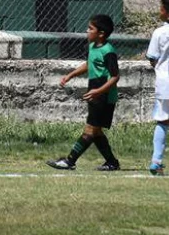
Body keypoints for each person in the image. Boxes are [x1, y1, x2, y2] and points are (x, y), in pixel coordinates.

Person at [46, 14, 120, 171]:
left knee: (90, 129)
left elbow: (115, 77)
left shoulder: (108, 51)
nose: (87, 31)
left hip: (104, 95)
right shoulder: (93, 47)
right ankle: (112, 162)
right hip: (95, 92)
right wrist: (70, 74)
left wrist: (98, 92)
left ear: (101, 33)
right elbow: (89, 64)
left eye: (90, 29)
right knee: (96, 131)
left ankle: (70, 160)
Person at [146, 0, 169, 176]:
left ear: (168, 14)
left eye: (161, 9)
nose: (159, 11)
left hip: (167, 83)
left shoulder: (159, 33)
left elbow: (153, 58)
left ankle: (156, 162)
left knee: (163, 121)